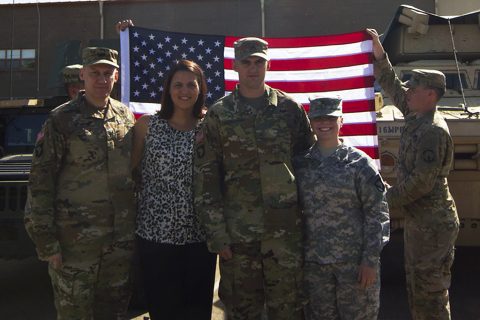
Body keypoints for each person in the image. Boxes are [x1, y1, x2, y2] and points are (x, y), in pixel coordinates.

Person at [194, 37, 315, 320]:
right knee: (242, 311)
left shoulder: (289, 109)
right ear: (235, 65)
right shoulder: (219, 115)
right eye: (246, 62)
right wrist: (218, 234)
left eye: (258, 62)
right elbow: (205, 180)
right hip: (239, 237)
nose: (253, 68)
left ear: (267, 64)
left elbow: (307, 166)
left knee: (288, 310)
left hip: (284, 235)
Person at [24, 47, 136, 319]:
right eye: (95, 73)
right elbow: (41, 182)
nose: (101, 79)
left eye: (107, 73)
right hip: (75, 246)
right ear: (82, 75)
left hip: (117, 245)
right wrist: (47, 244)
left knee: (114, 313)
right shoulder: (61, 120)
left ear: (116, 76)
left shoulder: (125, 117)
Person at [367, 28, 459, 319]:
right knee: (417, 289)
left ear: (430, 95)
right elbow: (392, 86)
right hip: (421, 221)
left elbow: (420, 183)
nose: (407, 91)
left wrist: (382, 201)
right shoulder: (417, 114)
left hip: (433, 225)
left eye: (414, 88)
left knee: (430, 293)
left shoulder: (432, 131)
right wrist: (379, 54)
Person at [131, 59, 216, 320]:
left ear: (201, 89)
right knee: (164, 311)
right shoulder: (147, 126)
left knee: (197, 312)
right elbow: (129, 174)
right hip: (156, 239)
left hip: (199, 239)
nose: (185, 90)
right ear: (168, 89)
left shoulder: (210, 128)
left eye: (192, 85)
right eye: (178, 84)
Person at [293, 96, 390, 319]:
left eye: (331, 118)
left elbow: (377, 215)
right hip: (316, 266)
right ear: (311, 122)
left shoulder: (359, 163)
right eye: (318, 118)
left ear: (341, 121)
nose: (324, 123)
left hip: (354, 266)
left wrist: (370, 261)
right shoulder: (300, 164)